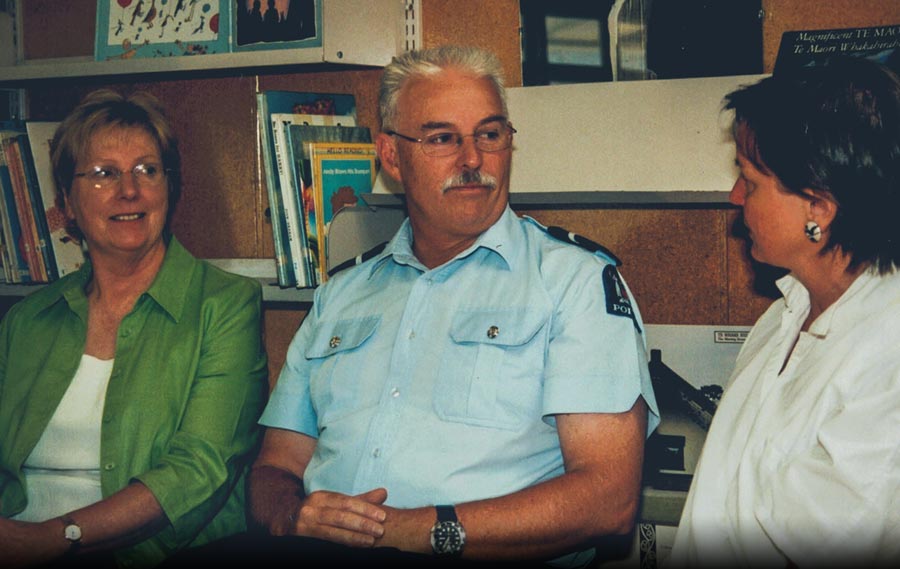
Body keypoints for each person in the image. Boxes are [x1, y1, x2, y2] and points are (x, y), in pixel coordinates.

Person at [246, 45, 659, 567]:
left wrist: (419, 532)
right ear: (391, 156)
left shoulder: (572, 283)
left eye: (489, 135)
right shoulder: (342, 294)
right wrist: (293, 518)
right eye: (442, 138)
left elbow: (607, 500)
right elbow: (274, 468)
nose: (472, 160)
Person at [0, 89, 268, 567]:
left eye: (147, 169)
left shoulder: (225, 307)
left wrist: (58, 537)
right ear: (67, 200)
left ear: (170, 187)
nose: (129, 190)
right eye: (104, 173)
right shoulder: (27, 320)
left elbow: (197, 472)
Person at [668, 57, 900, 568]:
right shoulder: (784, 315)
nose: (734, 197)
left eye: (749, 182)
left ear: (818, 207)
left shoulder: (888, 353)